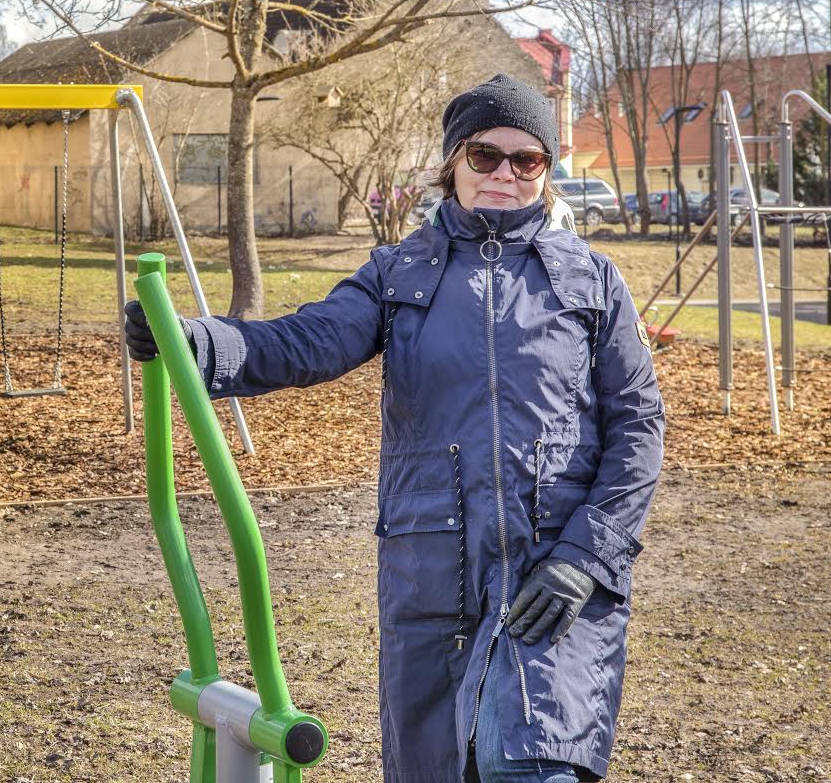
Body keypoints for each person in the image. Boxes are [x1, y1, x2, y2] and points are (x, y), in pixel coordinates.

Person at [124, 74, 663, 783]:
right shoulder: (398, 272)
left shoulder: (592, 282)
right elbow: (303, 342)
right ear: (451, 163)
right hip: (433, 579)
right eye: (483, 155)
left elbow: (637, 427)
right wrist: (194, 342)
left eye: (525, 159)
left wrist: (585, 559)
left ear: (546, 171)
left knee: (532, 766)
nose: (503, 173)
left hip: (549, 586)